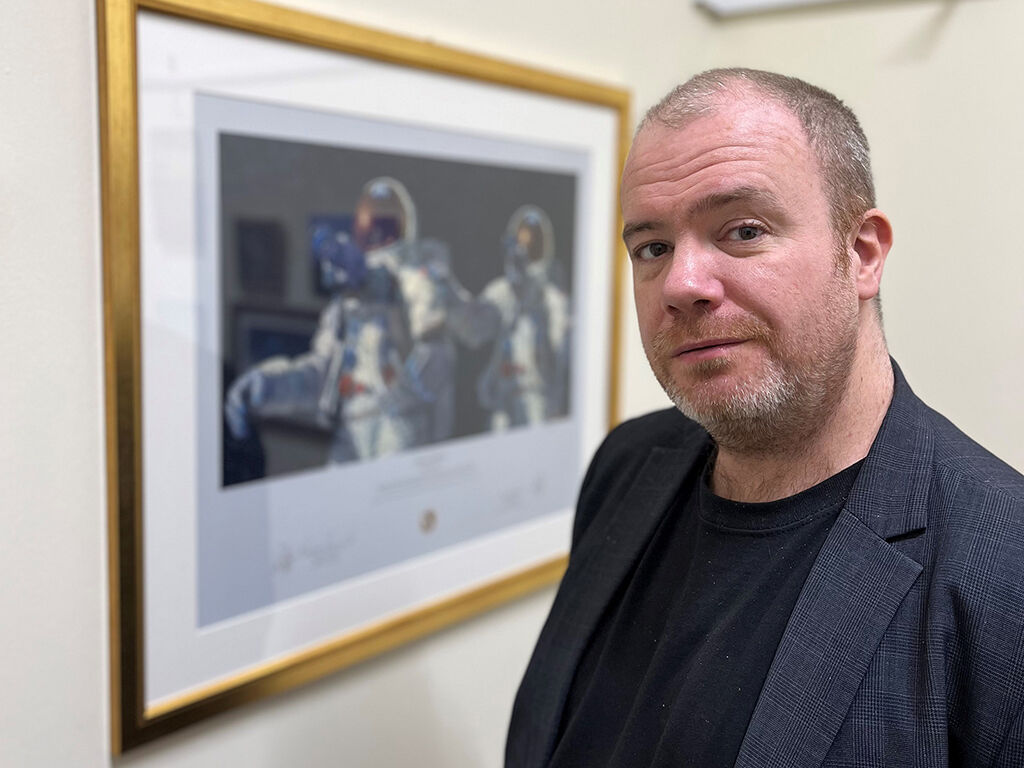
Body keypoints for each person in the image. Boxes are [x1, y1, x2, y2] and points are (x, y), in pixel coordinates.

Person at [506, 68, 1024, 768]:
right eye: (652, 247)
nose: (683, 285)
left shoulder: (1002, 569)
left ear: (862, 253)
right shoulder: (626, 466)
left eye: (743, 231)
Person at [224, 177, 455, 463]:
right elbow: (323, 373)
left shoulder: (422, 286)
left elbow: (436, 369)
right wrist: (267, 387)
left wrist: (397, 317)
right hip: (351, 430)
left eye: (382, 228)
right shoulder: (348, 303)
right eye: (366, 227)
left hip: (399, 430)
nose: (373, 238)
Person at [447, 205, 571, 430]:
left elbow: (556, 365)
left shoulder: (554, 301)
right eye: (518, 248)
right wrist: (450, 293)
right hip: (503, 404)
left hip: (538, 404)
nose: (523, 257)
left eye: (530, 249)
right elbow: (473, 331)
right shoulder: (501, 291)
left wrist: (534, 307)